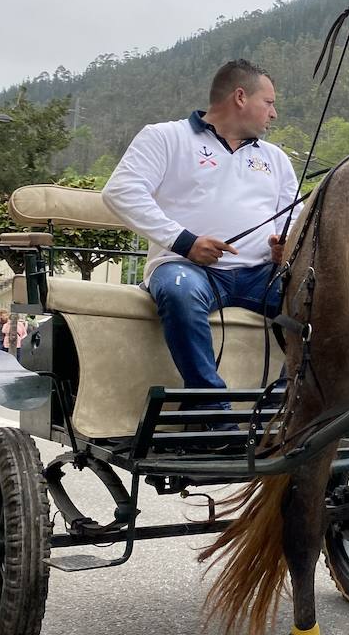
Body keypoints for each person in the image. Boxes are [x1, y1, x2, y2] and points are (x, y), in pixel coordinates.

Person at [102, 60, 298, 414]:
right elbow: (120, 192)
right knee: (179, 289)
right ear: (241, 96)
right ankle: (212, 411)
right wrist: (185, 243)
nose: (274, 113)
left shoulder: (277, 159)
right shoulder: (165, 137)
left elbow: (293, 218)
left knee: (322, 299)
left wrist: (286, 244)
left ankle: (284, 408)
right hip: (185, 267)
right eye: (268, 103)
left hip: (260, 275)